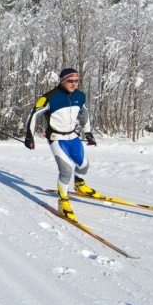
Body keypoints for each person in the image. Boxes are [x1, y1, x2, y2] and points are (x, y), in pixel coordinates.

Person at [24, 68, 99, 222]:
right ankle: (63, 203)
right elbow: (34, 114)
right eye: (70, 81)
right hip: (56, 138)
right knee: (66, 170)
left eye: (76, 81)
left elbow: (84, 113)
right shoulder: (49, 97)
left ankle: (80, 186)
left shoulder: (80, 96)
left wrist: (88, 132)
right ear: (62, 81)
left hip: (73, 136)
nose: (74, 84)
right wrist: (29, 136)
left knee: (83, 165)